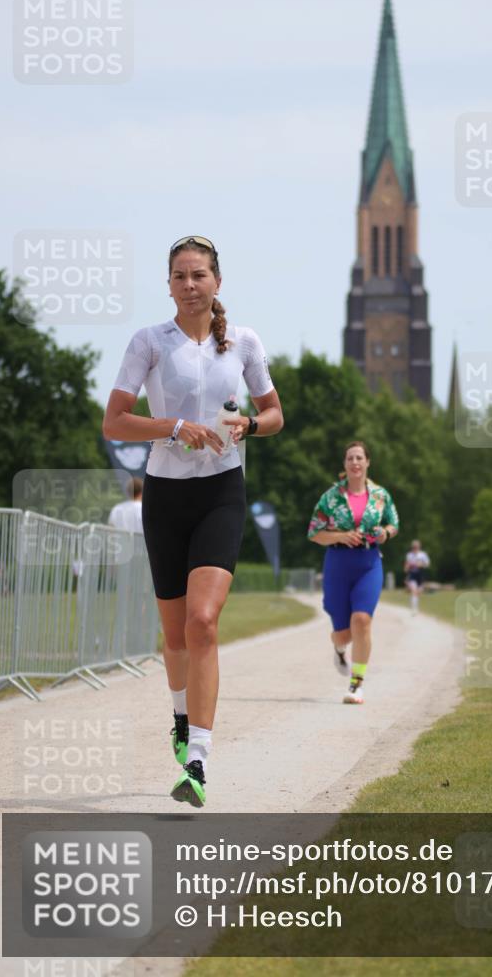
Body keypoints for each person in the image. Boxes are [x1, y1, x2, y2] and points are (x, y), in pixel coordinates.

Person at [103, 235, 283, 808]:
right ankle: (180, 719)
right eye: (179, 276)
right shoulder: (149, 342)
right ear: (169, 284)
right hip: (166, 496)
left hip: (221, 493)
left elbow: (275, 413)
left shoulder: (245, 343)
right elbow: (115, 421)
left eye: (198, 275)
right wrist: (174, 427)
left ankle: (198, 757)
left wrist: (249, 427)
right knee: (177, 632)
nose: (189, 284)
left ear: (217, 282)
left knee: (204, 622)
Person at [307, 441, 399, 705]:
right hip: (337, 563)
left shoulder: (381, 495)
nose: (355, 462)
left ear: (367, 462)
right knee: (343, 634)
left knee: (362, 620)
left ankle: (356, 684)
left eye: (359, 458)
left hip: (369, 563)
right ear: (345, 465)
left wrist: (386, 533)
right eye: (350, 458)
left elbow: (394, 523)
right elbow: (314, 532)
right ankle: (338, 648)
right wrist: (341, 535)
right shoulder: (331, 497)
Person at [404, 539, 430, 614]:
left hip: (421, 575)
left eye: (416, 547)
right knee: (414, 591)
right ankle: (414, 609)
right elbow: (406, 566)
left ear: (419, 547)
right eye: (414, 547)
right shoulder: (409, 555)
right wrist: (406, 572)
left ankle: (414, 605)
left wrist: (421, 564)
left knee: (418, 592)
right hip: (412, 575)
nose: (415, 548)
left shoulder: (423, 555)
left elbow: (427, 564)